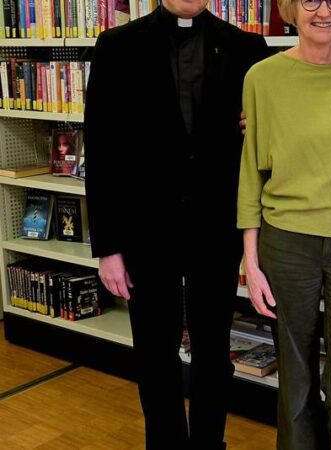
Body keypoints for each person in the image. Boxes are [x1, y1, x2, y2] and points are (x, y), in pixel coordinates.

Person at [83, 0, 270, 447]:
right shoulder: (116, 46)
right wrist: (108, 247)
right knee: (154, 354)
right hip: (146, 233)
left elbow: (269, 137)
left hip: (217, 231)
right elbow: (101, 149)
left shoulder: (248, 48)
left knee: (212, 353)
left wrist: (258, 127)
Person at [236, 0, 331, 448]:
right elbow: (250, 170)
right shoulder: (262, 77)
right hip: (287, 243)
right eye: (309, 0)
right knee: (295, 371)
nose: (323, 11)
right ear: (290, 9)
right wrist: (251, 258)